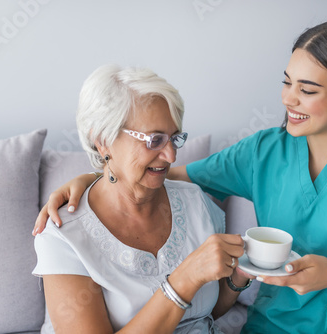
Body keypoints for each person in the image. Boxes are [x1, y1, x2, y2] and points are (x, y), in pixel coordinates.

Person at [33, 19, 327, 334]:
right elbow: (162, 170)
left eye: (307, 90)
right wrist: (90, 179)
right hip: (269, 328)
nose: (288, 99)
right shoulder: (264, 152)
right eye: (287, 82)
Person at [32, 64, 253, 333]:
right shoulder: (63, 235)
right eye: (154, 140)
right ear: (103, 140)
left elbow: (204, 313)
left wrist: (238, 277)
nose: (171, 156)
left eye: (174, 138)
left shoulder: (196, 202)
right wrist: (184, 279)